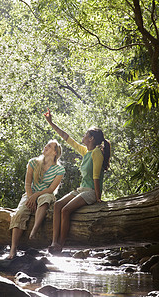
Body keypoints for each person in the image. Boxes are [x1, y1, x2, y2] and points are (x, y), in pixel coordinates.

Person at [44, 108, 111, 253]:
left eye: (86, 134)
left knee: (66, 210)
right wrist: (51, 122)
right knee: (57, 206)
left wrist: (98, 198)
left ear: (91, 138)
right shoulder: (86, 151)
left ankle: (61, 245)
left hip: (92, 192)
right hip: (82, 190)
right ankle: (54, 241)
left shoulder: (97, 153)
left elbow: (96, 177)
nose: (83, 135)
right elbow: (66, 137)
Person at [8, 139, 65, 259]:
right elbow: (28, 184)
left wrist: (36, 196)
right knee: (20, 213)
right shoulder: (33, 163)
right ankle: (13, 249)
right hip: (30, 193)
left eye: (49, 146)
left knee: (44, 200)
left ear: (55, 152)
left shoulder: (59, 170)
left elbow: (51, 189)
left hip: (46, 193)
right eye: (46, 145)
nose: (45, 147)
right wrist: (30, 197)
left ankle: (34, 231)